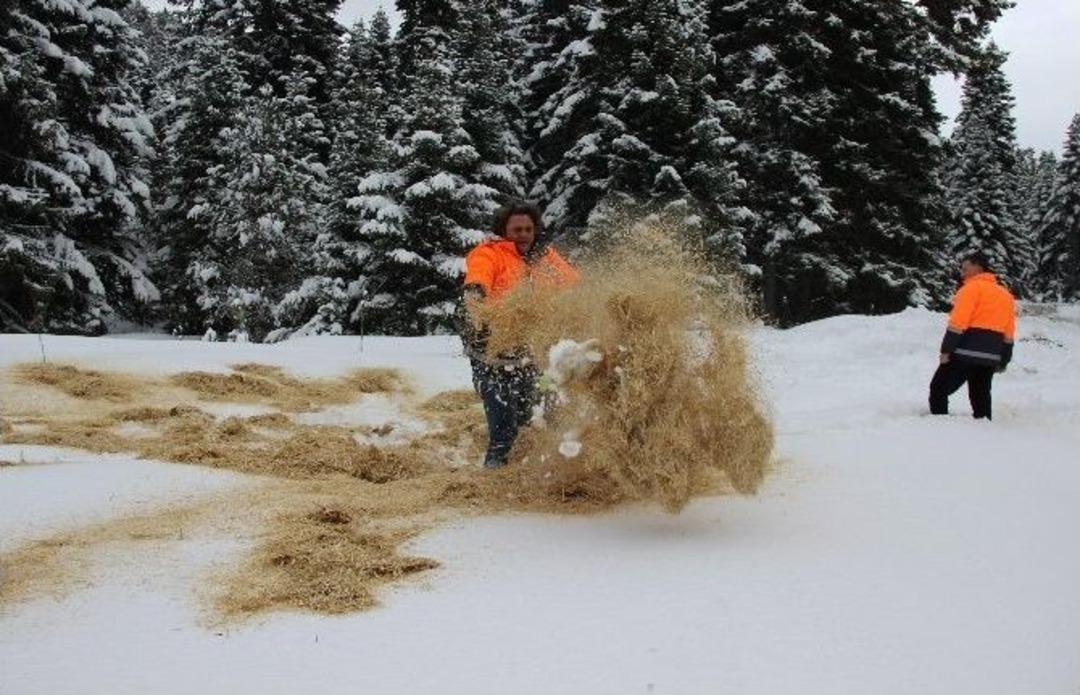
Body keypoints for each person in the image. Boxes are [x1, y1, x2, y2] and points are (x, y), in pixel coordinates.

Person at [457, 203, 578, 469]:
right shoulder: (490, 253)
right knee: (504, 429)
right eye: (517, 230)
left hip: (530, 354)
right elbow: (479, 275)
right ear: (504, 231)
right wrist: (475, 294)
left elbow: (573, 283)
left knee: (535, 421)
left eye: (528, 229)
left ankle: (528, 474)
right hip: (491, 353)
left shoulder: (544, 256)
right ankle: (493, 478)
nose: (524, 234)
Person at [929, 252, 1016, 420]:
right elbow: (1009, 330)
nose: (962, 273)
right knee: (980, 395)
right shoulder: (1006, 295)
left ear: (978, 267)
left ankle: (938, 425)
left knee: (939, 388)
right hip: (990, 356)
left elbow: (958, 324)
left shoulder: (970, 289)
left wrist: (946, 350)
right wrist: (1005, 358)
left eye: (965, 269)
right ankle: (984, 426)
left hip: (965, 353)